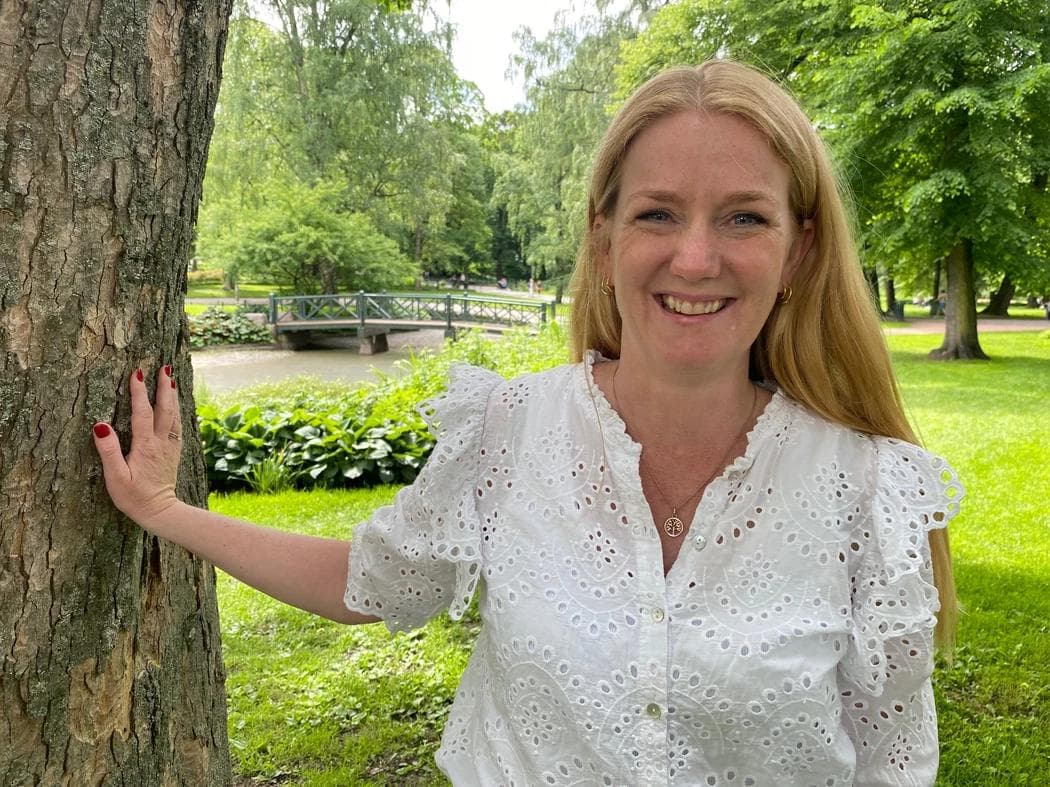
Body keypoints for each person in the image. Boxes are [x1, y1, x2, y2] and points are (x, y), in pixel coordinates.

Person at [93, 60, 961, 786]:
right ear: (604, 238)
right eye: (657, 213)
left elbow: (892, 763)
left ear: (798, 249)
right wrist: (166, 511)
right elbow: (372, 581)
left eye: (744, 217)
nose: (696, 257)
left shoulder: (869, 490)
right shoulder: (509, 430)